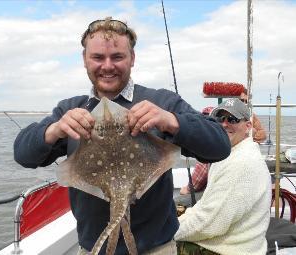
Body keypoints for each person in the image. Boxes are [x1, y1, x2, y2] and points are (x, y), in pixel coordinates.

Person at [14, 17, 231, 255]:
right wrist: (54, 130)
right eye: (98, 57)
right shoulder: (70, 110)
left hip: (155, 249)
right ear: (85, 60)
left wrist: (172, 121)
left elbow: (220, 145)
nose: (107, 66)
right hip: (92, 249)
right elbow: (23, 154)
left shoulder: (162, 102)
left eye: (117, 57)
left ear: (132, 59)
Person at [175, 98, 271, 255]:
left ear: (248, 126)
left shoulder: (241, 163)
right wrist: (179, 221)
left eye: (232, 119)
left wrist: (168, 232)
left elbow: (210, 222)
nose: (225, 124)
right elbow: (205, 206)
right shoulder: (226, 153)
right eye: (219, 119)